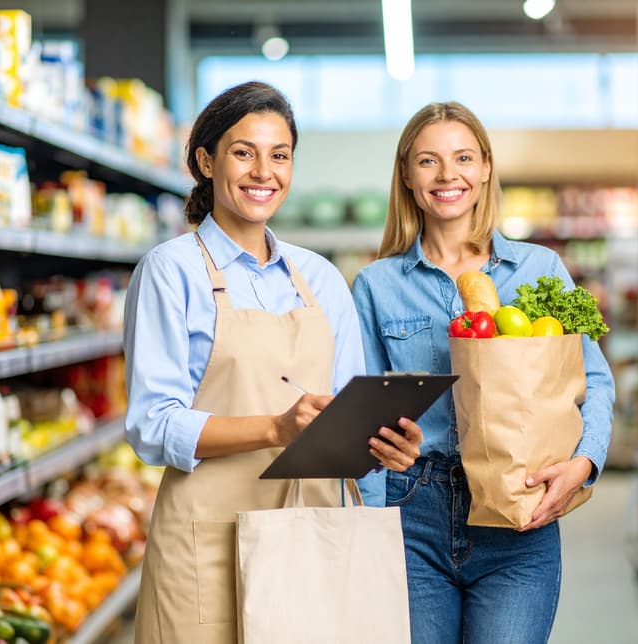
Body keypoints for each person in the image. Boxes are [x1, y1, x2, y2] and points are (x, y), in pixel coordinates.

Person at [122, 81, 423, 644]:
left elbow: (347, 411)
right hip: (206, 540)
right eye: (244, 152)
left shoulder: (322, 279)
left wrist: (383, 447)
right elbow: (151, 424)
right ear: (206, 161)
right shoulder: (171, 270)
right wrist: (276, 428)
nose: (264, 171)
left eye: (279, 155)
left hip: (310, 536)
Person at [351, 101, 615, 644]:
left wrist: (584, 463)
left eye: (463, 158)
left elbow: (597, 380)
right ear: (406, 174)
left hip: (519, 513)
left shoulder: (540, 270)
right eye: (428, 161)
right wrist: (369, 526)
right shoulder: (376, 285)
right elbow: (363, 420)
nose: (448, 175)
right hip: (412, 514)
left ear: (487, 167)